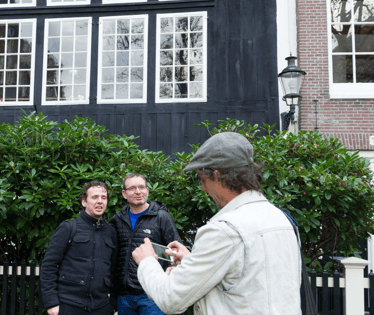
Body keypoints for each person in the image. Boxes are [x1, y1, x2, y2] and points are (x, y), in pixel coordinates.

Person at [132, 132, 302, 315]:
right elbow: (250, 279)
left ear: (217, 175)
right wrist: (192, 261)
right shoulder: (281, 218)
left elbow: (170, 299)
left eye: (203, 180)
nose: (203, 188)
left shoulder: (224, 230)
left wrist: (147, 261)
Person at [41, 181, 117, 315]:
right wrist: (51, 303)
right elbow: (49, 265)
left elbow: (115, 270)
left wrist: (112, 305)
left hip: (101, 308)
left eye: (103, 197)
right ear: (84, 202)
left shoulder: (111, 232)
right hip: (68, 305)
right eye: (94, 197)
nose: (100, 201)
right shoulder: (69, 228)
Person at [110, 173, 181, 315]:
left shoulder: (161, 217)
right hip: (124, 296)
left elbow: (175, 252)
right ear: (124, 194)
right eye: (132, 188)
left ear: (147, 191)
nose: (138, 192)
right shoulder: (117, 220)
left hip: (151, 295)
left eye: (141, 187)